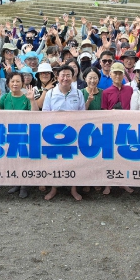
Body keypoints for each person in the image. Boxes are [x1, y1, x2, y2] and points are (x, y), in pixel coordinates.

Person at [42, 65, 85, 201]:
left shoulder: (78, 93)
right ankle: (54, 188)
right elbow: (45, 113)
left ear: (73, 77)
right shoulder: (50, 93)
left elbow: (83, 114)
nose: (65, 78)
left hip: (73, 133)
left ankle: (73, 189)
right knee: (54, 162)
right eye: (62, 75)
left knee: (74, 162)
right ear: (57, 77)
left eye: (68, 75)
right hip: (55, 134)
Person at [0, 72, 38, 199]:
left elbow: (36, 115)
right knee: (13, 159)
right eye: (12, 81)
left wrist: (32, 100)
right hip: (9, 133)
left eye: (18, 81)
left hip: (25, 132)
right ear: (8, 83)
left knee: (24, 159)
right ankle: (16, 183)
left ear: (23, 83)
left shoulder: (27, 97)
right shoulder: (5, 97)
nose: (15, 84)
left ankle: (24, 186)